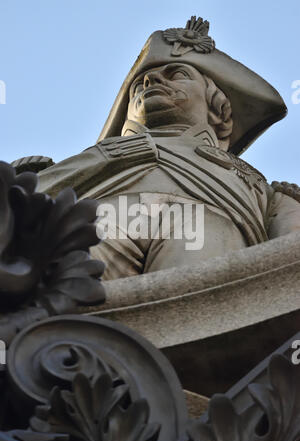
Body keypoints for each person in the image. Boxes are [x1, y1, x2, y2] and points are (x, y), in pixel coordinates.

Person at [36, 16, 300, 280]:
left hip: (209, 229)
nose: (150, 83)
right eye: (139, 85)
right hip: (101, 218)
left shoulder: (256, 183)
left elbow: (288, 251)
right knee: (58, 288)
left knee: (199, 300)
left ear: (219, 109)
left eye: (177, 75)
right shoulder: (99, 156)